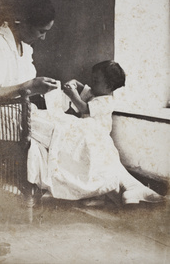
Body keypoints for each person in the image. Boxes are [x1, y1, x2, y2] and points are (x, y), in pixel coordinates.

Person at [27, 60, 165, 205]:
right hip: (88, 130)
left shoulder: (106, 100)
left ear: (109, 86)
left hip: (98, 133)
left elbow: (84, 108)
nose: (92, 84)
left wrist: (73, 94)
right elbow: (84, 88)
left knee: (69, 127)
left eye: (96, 81)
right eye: (92, 80)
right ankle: (129, 191)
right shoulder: (96, 91)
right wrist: (76, 83)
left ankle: (132, 192)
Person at [0, 0, 58, 102]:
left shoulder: (25, 47)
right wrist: (30, 86)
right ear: (23, 22)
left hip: (20, 114)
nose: (43, 38)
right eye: (41, 31)